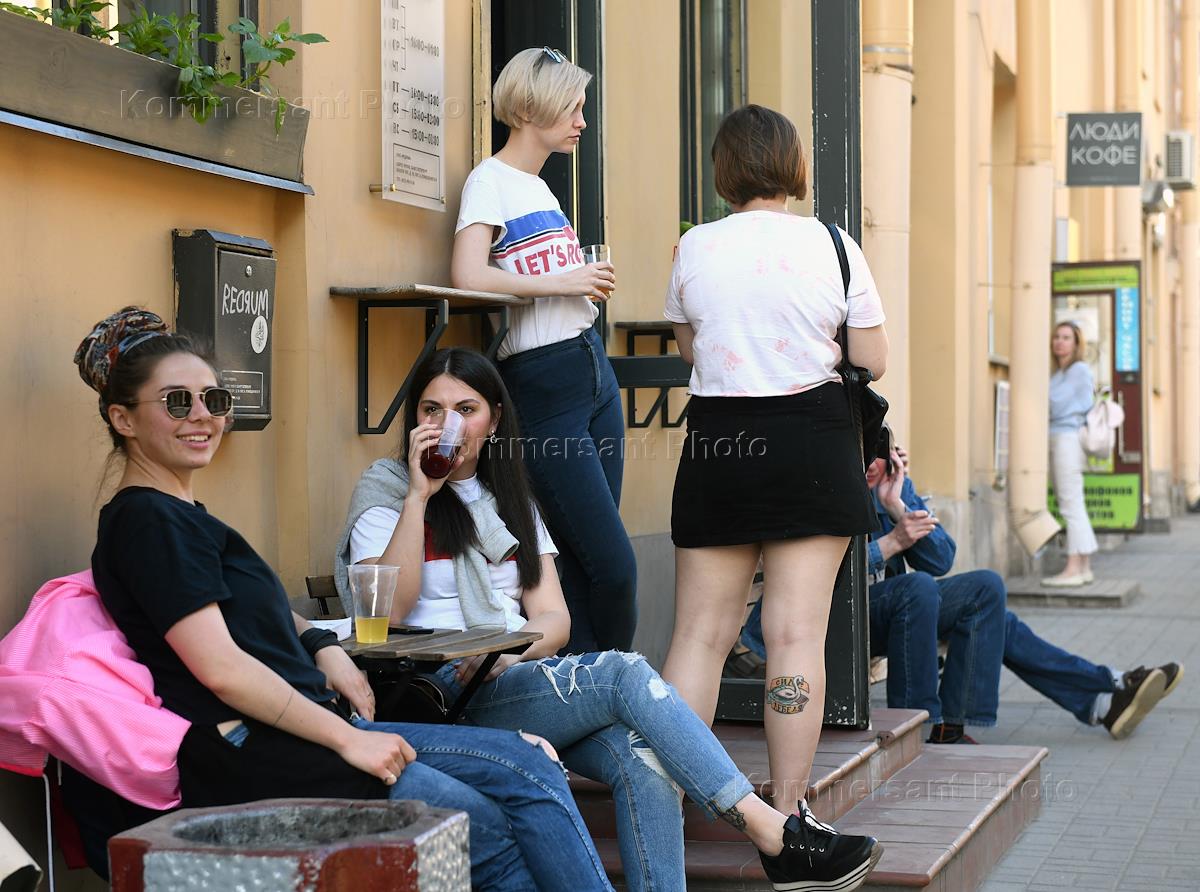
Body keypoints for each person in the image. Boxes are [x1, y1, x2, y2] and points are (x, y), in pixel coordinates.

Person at [75, 307, 614, 892]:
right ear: (123, 418)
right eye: (178, 402)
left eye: (215, 399)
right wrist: (350, 739)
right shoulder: (150, 522)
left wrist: (319, 643)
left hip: (312, 726)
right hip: (269, 750)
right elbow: (223, 671)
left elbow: (250, 610)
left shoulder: (181, 516)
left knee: (528, 770)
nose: (203, 415)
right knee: (487, 824)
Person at [335, 347, 883, 892]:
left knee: (645, 759)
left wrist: (507, 652)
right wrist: (419, 496)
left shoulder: (511, 500)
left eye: (465, 409)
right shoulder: (387, 489)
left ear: (494, 420)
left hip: (504, 679)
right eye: (431, 410)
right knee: (624, 674)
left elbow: (554, 620)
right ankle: (773, 834)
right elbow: (386, 610)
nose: (446, 424)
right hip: (434, 689)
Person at [658, 104, 888, 887]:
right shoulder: (834, 244)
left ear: (723, 169)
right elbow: (872, 359)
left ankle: (668, 800)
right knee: (794, 638)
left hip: (720, 442)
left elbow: (692, 349)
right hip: (811, 444)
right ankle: (788, 819)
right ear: (794, 166)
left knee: (699, 637)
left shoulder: (695, 246)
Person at [738, 431, 1184, 743]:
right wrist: (890, 544)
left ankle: (1094, 701)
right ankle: (918, 725)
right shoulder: (825, 486)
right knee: (918, 590)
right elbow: (811, 576)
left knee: (986, 594)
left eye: (880, 457)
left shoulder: (890, 486)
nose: (872, 468)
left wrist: (897, 506)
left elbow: (941, 559)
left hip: (887, 616)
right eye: (865, 459)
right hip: (825, 620)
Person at [450, 47, 635, 653]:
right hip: (543, 381)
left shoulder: (540, 188)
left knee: (584, 562)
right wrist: (565, 280)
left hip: (591, 367)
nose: (582, 120)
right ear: (530, 110)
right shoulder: (489, 181)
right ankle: (619, 688)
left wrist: (578, 281)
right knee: (615, 568)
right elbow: (468, 276)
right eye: (571, 108)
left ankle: (581, 689)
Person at [1045, 320, 1099, 587]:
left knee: (1069, 504)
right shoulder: (1059, 373)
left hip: (1067, 438)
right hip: (1060, 437)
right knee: (1073, 503)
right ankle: (1084, 567)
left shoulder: (1078, 370)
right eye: (1057, 336)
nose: (1059, 342)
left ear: (1077, 343)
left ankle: (1073, 568)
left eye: (1066, 337)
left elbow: (1061, 404)